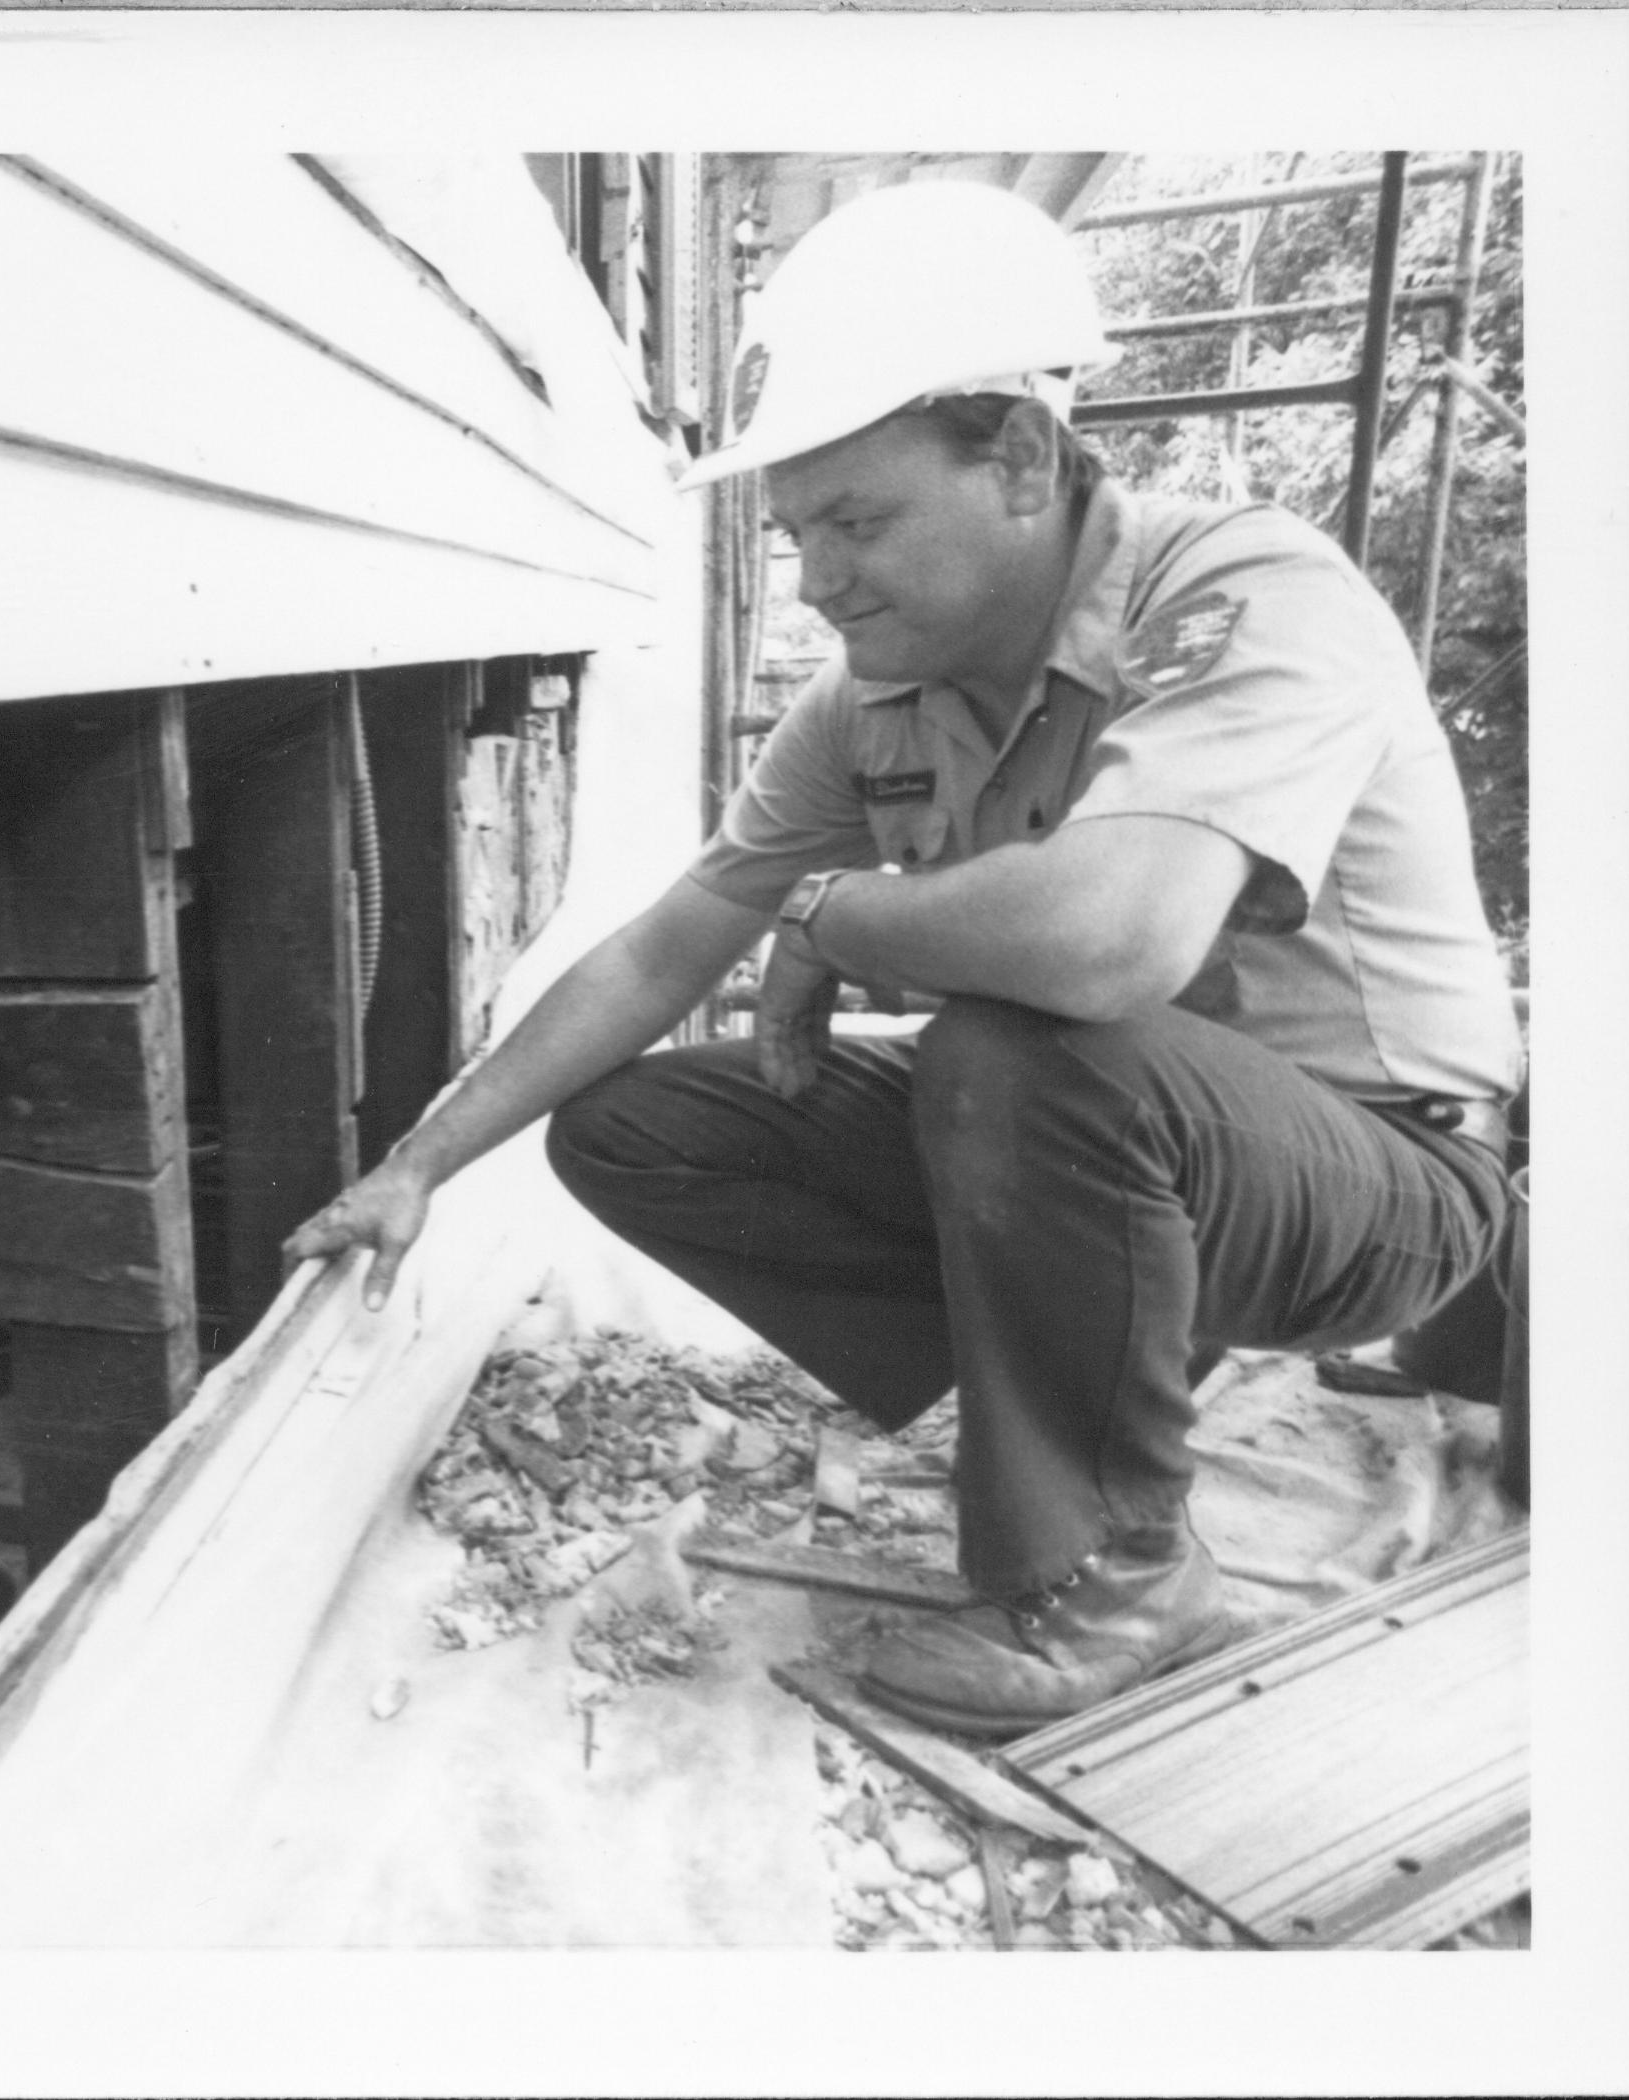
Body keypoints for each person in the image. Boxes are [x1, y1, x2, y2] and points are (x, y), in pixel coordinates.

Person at [282, 178, 1521, 1740]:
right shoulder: (873, 700)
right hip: (1143, 1169)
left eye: (855, 522)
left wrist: (835, 914)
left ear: (1017, 456)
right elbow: (661, 952)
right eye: (796, 534)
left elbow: (1108, 945)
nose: (815, 581)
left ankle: (1115, 1580)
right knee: (640, 1126)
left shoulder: (1244, 590)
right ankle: (1059, 1396)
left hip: (1379, 1188)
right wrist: (420, 1163)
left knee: (1020, 1047)